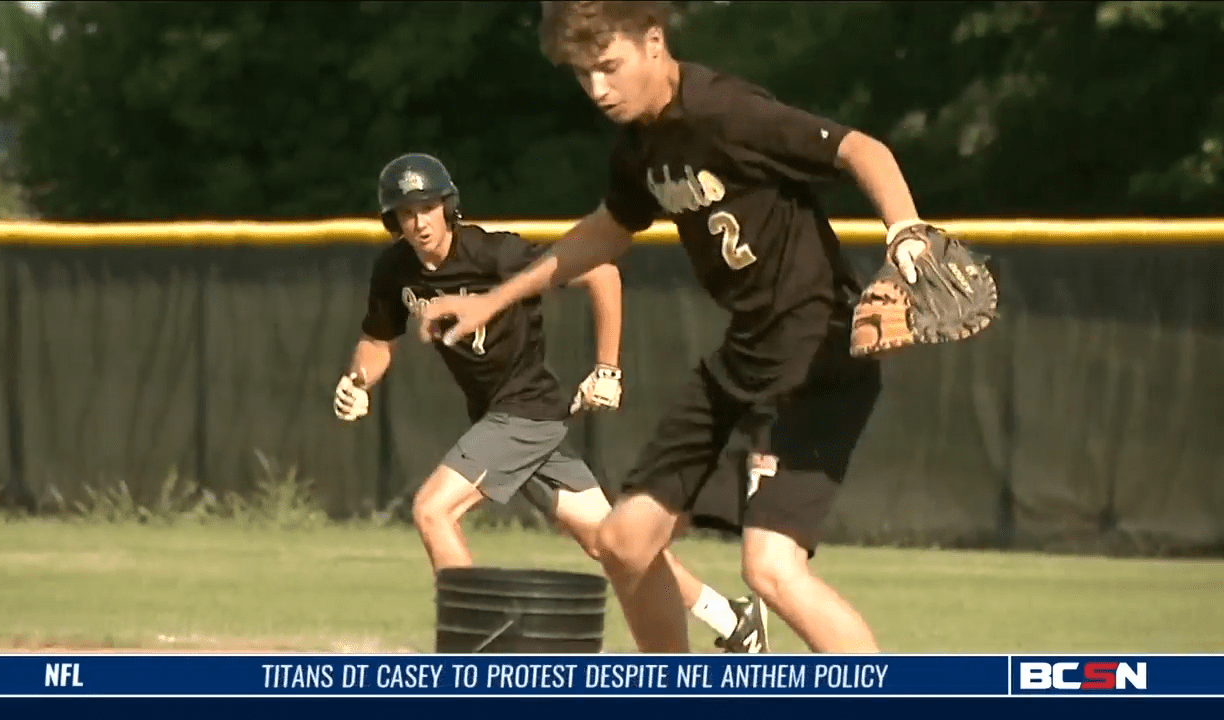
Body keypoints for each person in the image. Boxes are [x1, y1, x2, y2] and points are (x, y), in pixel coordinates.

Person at [417, 1, 937, 654]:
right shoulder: (640, 145)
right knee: (624, 543)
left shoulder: (725, 110)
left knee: (770, 569)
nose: (597, 89)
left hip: (814, 358)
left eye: (608, 66)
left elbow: (862, 149)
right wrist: (492, 302)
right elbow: (607, 230)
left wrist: (907, 235)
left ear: (654, 41)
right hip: (744, 359)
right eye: (582, 75)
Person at [334, 151, 770, 653]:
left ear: (447, 206)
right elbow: (377, 339)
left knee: (432, 511)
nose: (419, 221)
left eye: (427, 207)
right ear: (393, 220)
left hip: (523, 413)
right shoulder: (395, 270)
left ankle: (473, 648)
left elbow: (601, 273)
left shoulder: (493, 255)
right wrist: (358, 381)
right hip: (505, 419)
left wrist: (608, 368)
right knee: (609, 542)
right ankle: (733, 619)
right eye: (406, 212)